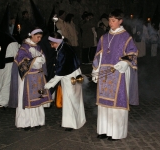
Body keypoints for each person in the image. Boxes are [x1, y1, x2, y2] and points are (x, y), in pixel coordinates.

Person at [92, 9, 139, 141]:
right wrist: (95, 71)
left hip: (118, 75)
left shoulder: (126, 37)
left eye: (113, 20)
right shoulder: (104, 37)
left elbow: (133, 54)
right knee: (103, 104)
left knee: (117, 104)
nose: (110, 23)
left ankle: (116, 133)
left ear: (120, 21)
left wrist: (124, 63)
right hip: (104, 75)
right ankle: (104, 130)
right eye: (110, 20)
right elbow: (98, 55)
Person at [8, 28, 52, 131]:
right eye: (38, 37)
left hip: (37, 77)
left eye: (41, 37)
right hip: (27, 78)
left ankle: (37, 121)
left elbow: (43, 59)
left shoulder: (38, 47)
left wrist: (41, 59)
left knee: (37, 99)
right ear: (31, 35)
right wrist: (35, 60)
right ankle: (25, 123)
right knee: (27, 99)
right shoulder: (24, 48)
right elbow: (20, 62)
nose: (39, 39)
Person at [44, 31, 86, 131]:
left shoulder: (62, 51)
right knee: (76, 100)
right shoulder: (66, 46)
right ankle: (78, 121)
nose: (51, 46)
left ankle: (71, 124)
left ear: (55, 42)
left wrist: (48, 85)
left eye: (51, 44)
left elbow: (60, 73)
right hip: (75, 75)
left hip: (69, 79)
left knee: (69, 101)